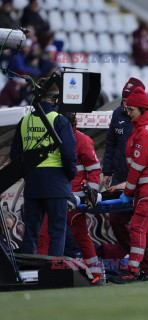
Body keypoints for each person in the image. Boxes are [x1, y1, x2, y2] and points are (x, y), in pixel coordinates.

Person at [102, 77, 148, 277]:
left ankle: (133, 270)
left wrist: (127, 191)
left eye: (132, 110)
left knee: (137, 227)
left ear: (143, 110)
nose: (128, 113)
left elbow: (136, 167)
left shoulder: (146, 132)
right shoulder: (145, 127)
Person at [10, 77, 77, 256]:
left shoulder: (23, 122)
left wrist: (29, 174)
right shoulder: (60, 120)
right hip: (56, 183)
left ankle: (28, 275)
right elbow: (69, 154)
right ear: (56, 98)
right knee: (56, 232)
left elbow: (15, 157)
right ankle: (54, 273)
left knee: (31, 232)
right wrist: (70, 176)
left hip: (33, 183)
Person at [36, 112, 103, 281]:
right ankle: (41, 274)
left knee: (77, 236)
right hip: (57, 196)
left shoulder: (82, 140)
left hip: (73, 200)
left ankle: (95, 274)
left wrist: (91, 194)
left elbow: (94, 170)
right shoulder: (56, 139)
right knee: (46, 236)